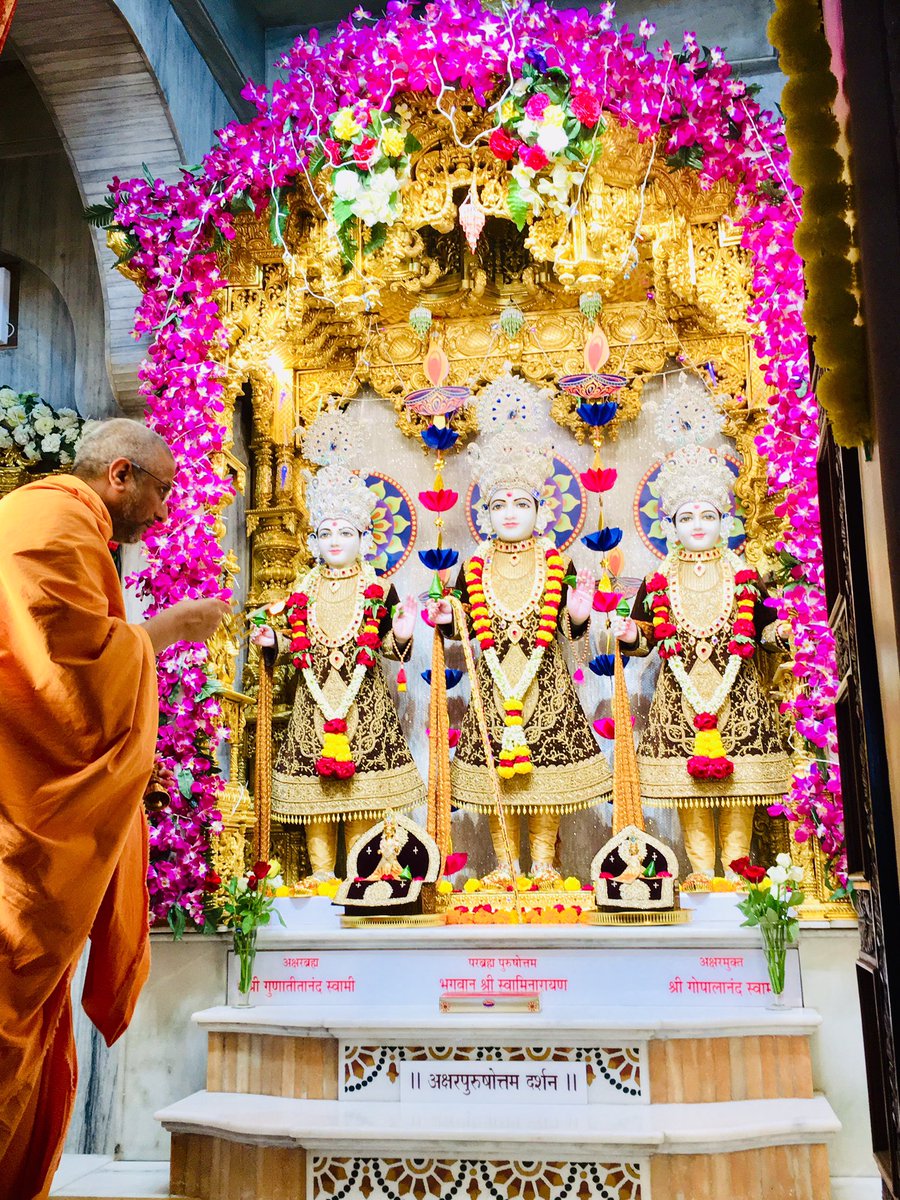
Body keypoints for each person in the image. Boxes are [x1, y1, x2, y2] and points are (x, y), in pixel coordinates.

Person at [0, 418, 228, 1200]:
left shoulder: (55, 521)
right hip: (15, 827)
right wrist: (166, 631)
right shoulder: (55, 524)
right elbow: (64, 685)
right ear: (121, 475)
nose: (164, 513)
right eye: (161, 491)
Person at [429, 375, 612, 888]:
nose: (510, 513)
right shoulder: (472, 567)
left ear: (539, 510)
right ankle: (506, 865)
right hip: (492, 687)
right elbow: (461, 631)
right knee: (496, 781)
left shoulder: (558, 561)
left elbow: (573, 636)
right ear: (486, 515)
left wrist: (578, 617)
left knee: (546, 778)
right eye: (499, 505)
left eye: (520, 504)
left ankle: (545, 864)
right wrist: (447, 622)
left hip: (547, 685)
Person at [612, 434, 793, 882]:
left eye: (707, 515)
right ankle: (700, 875)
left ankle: (736, 877)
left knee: (738, 794)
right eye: (686, 517)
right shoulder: (658, 579)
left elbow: (768, 631)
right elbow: (645, 638)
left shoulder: (746, 576)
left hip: (740, 700)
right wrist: (631, 632)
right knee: (690, 795)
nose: (697, 524)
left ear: (723, 521)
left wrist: (784, 630)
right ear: (670, 525)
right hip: (681, 702)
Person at [252, 413, 424, 885]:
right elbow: (290, 641)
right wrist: (273, 641)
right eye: (326, 533)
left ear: (363, 540)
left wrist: (404, 632)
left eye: (345, 533)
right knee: (317, 800)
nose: (334, 542)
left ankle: (361, 876)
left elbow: (387, 647)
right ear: (312, 541)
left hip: (364, 708)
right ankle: (321, 874)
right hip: (314, 707)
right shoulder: (300, 591)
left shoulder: (378, 589)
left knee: (363, 796)